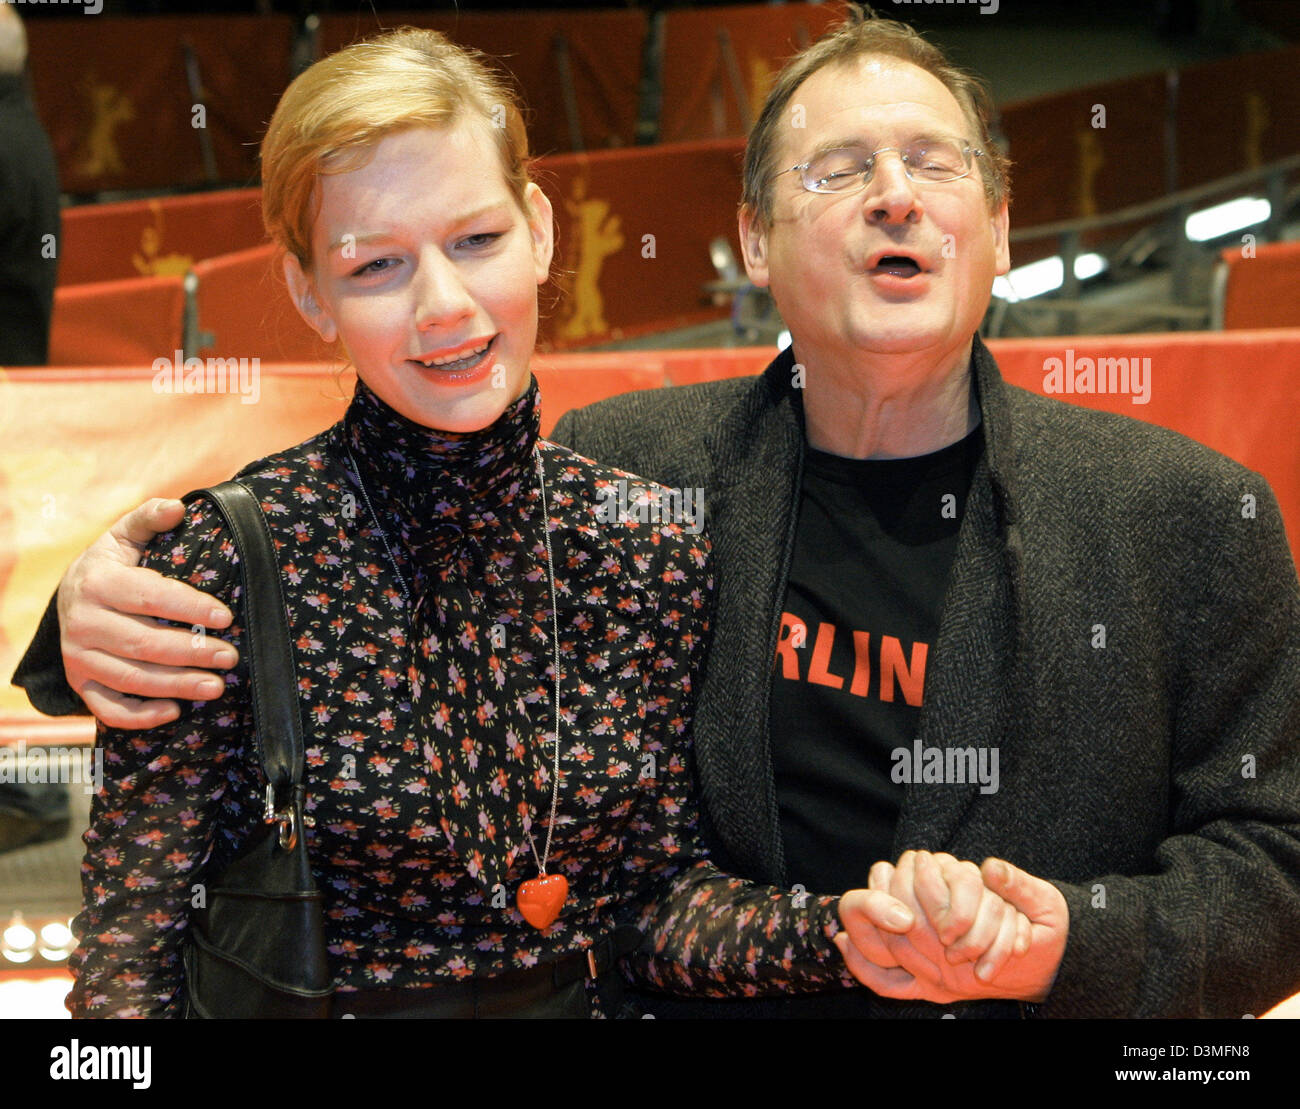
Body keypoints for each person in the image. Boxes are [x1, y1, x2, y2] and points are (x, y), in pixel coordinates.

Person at [19, 9, 1300, 1019]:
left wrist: (1045, 943)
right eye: (837, 169)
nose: (893, 197)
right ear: (752, 241)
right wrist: (72, 625)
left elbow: (1276, 872)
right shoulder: (639, 476)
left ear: (1004, 224)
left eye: (932, 162)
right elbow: (131, 945)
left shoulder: (1184, 517)